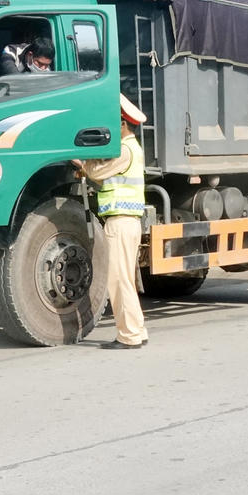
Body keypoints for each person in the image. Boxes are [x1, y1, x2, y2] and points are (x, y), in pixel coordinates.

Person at [75, 94, 149, 349]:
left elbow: (97, 172)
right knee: (126, 278)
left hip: (120, 222)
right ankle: (137, 329)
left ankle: (128, 336)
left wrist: (81, 162)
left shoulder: (125, 151)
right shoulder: (133, 148)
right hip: (128, 222)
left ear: (122, 124)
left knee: (117, 280)